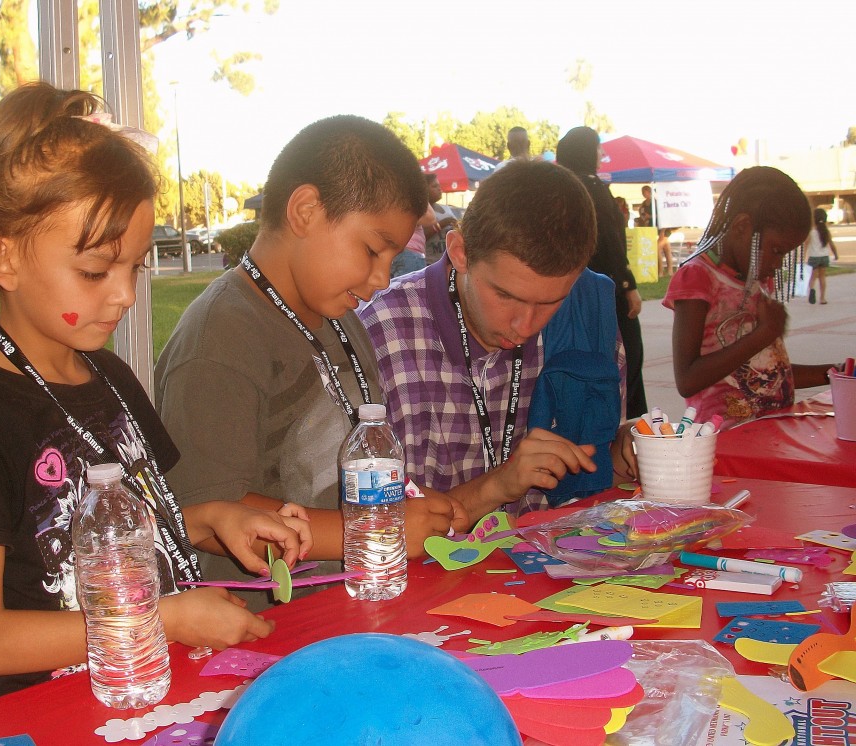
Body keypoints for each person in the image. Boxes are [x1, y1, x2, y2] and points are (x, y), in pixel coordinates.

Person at [0, 82, 310, 707]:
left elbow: (144, 522)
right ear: (3, 260)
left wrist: (216, 521)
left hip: (151, 693)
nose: (124, 294)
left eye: (136, 267)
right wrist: (164, 618)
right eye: (96, 272)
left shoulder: (108, 376)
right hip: (51, 713)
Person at [156, 115, 469, 608]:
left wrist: (404, 507)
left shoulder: (338, 318)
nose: (382, 280)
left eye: (392, 259)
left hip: (349, 604)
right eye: (371, 250)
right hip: (267, 634)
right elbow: (203, 514)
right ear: (304, 211)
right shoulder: (220, 338)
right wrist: (365, 533)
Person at [360, 160, 636, 515]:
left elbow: (587, 488)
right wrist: (497, 486)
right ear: (460, 252)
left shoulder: (585, 315)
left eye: (550, 302)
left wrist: (620, 453)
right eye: (507, 296)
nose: (525, 326)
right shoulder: (380, 332)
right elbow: (366, 520)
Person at [662, 167, 840, 428]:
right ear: (742, 226)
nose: (778, 265)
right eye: (777, 251)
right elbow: (688, 380)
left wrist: (835, 372)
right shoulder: (698, 279)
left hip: (770, 434)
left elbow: (772, 375)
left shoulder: (756, 281)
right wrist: (764, 334)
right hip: (726, 444)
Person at [557, 126, 647, 419]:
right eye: (597, 147)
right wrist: (627, 285)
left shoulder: (560, 187)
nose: (602, 154)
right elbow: (608, 239)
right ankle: (630, 427)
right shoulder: (592, 188)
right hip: (606, 289)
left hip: (571, 289)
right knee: (627, 356)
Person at [424, 173, 461, 264]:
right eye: (434, 186)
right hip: (430, 262)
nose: (439, 189)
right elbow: (422, 236)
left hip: (449, 261)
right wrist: (441, 224)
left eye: (439, 186)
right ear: (424, 190)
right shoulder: (422, 212)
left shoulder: (446, 209)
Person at [805, 207, 838, 304]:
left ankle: (811, 291)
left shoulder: (811, 232)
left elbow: (806, 244)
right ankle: (822, 298)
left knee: (813, 277)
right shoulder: (826, 232)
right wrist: (836, 255)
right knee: (822, 277)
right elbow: (831, 244)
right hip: (824, 257)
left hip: (814, 257)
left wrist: (803, 257)